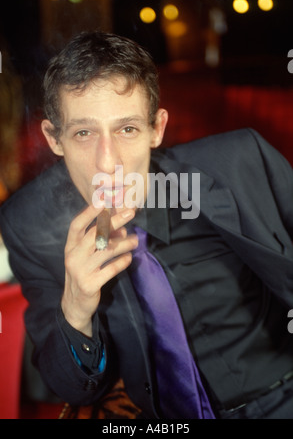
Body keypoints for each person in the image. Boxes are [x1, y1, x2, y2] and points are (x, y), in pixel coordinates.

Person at [0, 31, 292, 420]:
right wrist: (75, 310)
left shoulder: (240, 161)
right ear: (55, 138)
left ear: (157, 128)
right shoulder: (28, 221)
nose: (108, 162)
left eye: (127, 129)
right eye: (84, 133)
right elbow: (70, 387)